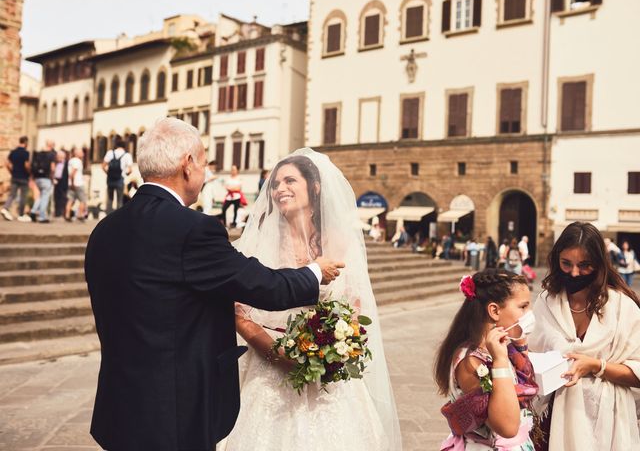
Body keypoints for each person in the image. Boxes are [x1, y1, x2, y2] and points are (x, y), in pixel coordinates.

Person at [84, 118, 345, 451]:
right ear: (188, 165)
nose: (206, 174)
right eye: (205, 163)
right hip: (174, 412)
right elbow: (264, 286)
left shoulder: (104, 231)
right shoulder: (192, 229)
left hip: (118, 408)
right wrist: (314, 271)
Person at [224, 149, 401, 450]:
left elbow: (354, 307)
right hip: (269, 369)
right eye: (276, 183)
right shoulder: (255, 244)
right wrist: (277, 354)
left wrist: (333, 348)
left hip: (328, 373)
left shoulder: (340, 241)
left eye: (290, 180)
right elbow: (238, 312)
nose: (280, 188)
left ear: (315, 187)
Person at [529, 222, 640, 451]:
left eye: (585, 265)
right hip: (557, 420)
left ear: (599, 264)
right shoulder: (547, 303)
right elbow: (532, 358)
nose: (575, 273)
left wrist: (596, 366)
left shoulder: (622, 307)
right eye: (566, 264)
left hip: (610, 423)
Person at [435, 269, 538, 450]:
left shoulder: (503, 345)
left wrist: (520, 345)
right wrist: (499, 362)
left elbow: (525, 380)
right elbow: (506, 426)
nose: (529, 313)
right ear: (494, 311)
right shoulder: (471, 362)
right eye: (523, 307)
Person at [1, 136, 31, 222]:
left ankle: (5, 208)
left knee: (12, 194)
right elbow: (26, 165)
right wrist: (29, 172)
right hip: (23, 177)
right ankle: (21, 214)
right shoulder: (25, 153)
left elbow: (7, 163)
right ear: (25, 143)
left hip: (14, 176)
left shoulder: (13, 152)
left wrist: (12, 171)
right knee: (23, 196)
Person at [102, 136, 133, 214]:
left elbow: (103, 166)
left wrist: (109, 173)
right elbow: (130, 170)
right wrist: (126, 173)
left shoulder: (110, 153)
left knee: (110, 199)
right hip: (120, 179)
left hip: (110, 179)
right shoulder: (127, 155)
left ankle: (108, 216)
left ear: (116, 146)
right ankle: (119, 217)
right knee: (120, 199)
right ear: (124, 146)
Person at [30, 139, 56, 223]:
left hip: (37, 178)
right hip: (46, 178)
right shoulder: (51, 154)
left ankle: (33, 211)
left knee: (41, 196)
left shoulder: (38, 154)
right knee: (45, 197)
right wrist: (52, 178)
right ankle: (42, 217)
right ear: (51, 145)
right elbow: (52, 168)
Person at [65, 148, 87, 221]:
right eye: (81, 152)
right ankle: (80, 215)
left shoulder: (71, 161)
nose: (83, 154)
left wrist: (70, 183)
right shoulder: (77, 161)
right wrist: (73, 182)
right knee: (83, 200)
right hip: (78, 183)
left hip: (71, 183)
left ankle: (67, 215)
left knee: (70, 199)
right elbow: (72, 174)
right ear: (76, 153)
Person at [52, 150, 69, 220]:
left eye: (60, 156)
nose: (58, 158)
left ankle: (62, 212)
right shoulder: (55, 163)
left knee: (63, 197)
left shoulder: (67, 163)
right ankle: (57, 213)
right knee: (56, 197)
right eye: (58, 156)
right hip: (56, 180)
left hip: (63, 182)